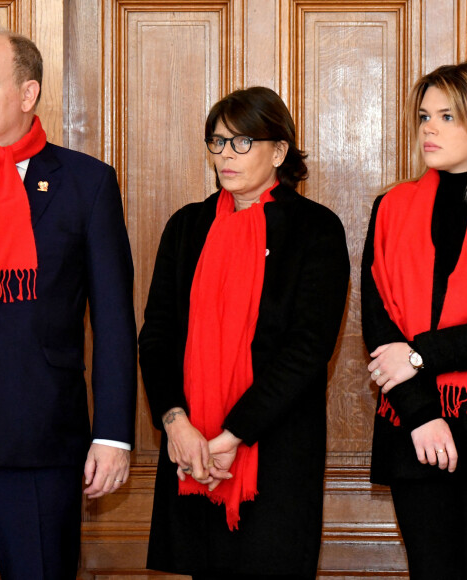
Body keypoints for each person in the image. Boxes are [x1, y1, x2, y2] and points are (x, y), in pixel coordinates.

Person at [0, 29, 137, 579]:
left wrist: (113, 435)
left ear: (27, 94)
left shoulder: (85, 183)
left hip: (40, 437)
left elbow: (113, 320)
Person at [139, 86, 350, 579]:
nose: (224, 155)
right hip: (191, 451)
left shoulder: (314, 230)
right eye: (217, 142)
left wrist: (233, 434)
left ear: (279, 151)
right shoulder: (187, 226)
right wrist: (176, 423)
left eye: (241, 142)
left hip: (274, 453)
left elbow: (307, 349)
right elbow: (157, 335)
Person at [362, 60, 467, 579]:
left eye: (447, 116)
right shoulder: (391, 207)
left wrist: (422, 355)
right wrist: (421, 415)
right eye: (424, 116)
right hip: (413, 426)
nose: (429, 128)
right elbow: (379, 326)